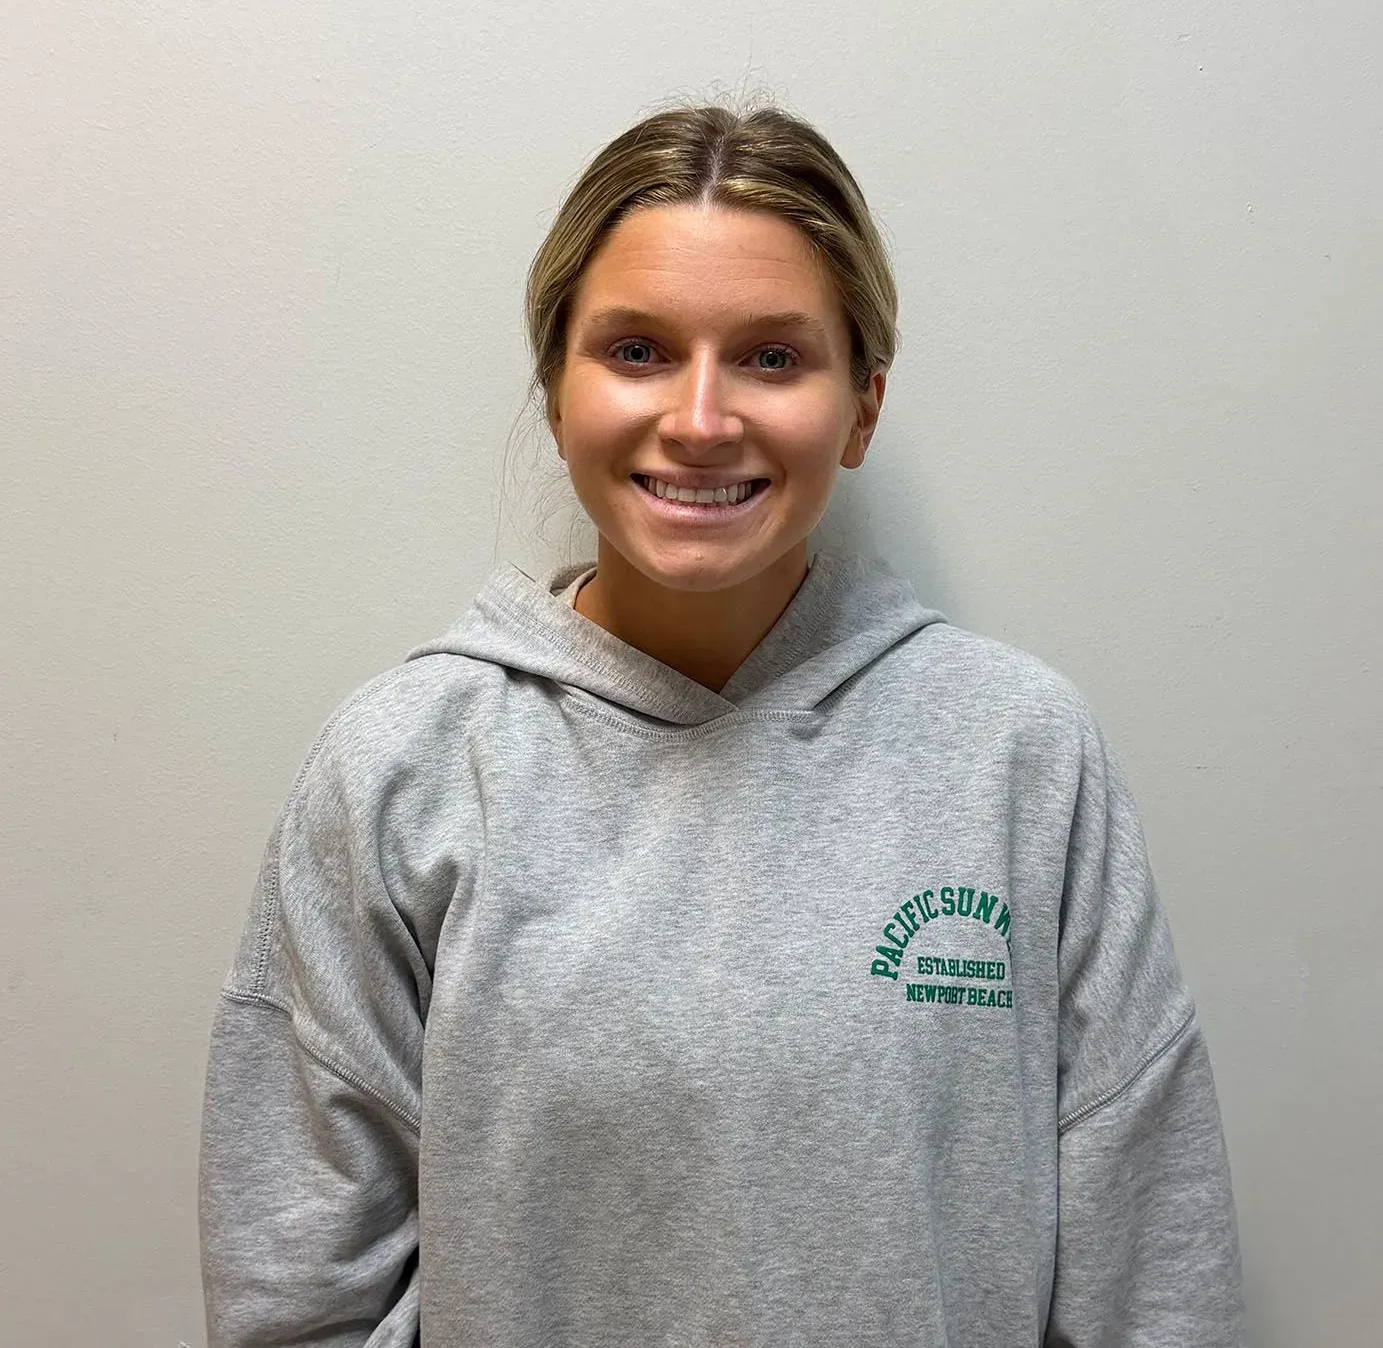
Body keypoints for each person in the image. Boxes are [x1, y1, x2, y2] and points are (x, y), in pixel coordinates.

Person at [198, 102, 1246, 1347]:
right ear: (555, 392)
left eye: (771, 356)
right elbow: (299, 1295)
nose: (699, 419)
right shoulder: (402, 771)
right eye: (636, 350)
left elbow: (1151, 1272)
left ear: (861, 405)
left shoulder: (1019, 757)